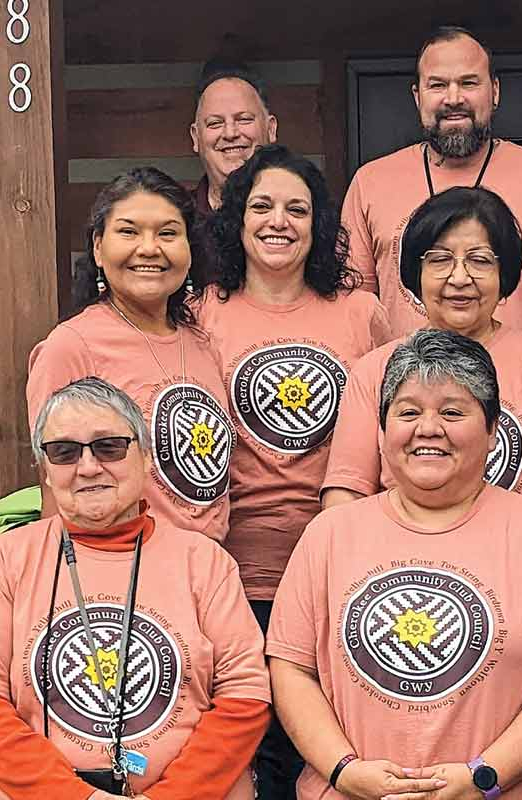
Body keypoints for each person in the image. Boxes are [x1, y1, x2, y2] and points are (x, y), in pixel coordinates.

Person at [267, 329, 522, 799]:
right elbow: (291, 670)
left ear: (493, 430)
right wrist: (344, 771)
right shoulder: (330, 534)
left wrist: (484, 776)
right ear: (382, 430)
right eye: (408, 412)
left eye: (452, 412)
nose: (428, 428)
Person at [0, 377, 271, 799]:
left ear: (147, 457)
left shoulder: (204, 562)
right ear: (44, 469)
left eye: (109, 447)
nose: (88, 467)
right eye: (63, 452)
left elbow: (245, 697)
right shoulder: (5, 560)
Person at [195, 144, 390, 799]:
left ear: (318, 224)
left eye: (297, 209)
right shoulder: (201, 311)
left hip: (336, 569)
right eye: (263, 206)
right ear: (236, 218)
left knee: (324, 751)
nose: (279, 221)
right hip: (231, 571)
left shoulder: (360, 313)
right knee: (245, 756)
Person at [323, 187, 522, 535]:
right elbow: (344, 496)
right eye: (440, 260)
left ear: (506, 275)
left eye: (480, 260)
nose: (459, 278)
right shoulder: (374, 370)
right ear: (416, 272)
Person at [341, 26, 522, 390]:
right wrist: (369, 399)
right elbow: (354, 310)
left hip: (515, 404)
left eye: (469, 83)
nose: (454, 98)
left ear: (494, 91)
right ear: (417, 96)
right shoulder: (369, 183)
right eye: (438, 85)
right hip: (407, 404)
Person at [28, 167, 235, 541]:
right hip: (124, 582)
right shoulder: (71, 347)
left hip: (209, 575)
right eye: (128, 231)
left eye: (168, 233)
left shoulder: (201, 342)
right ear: (97, 247)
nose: (149, 248)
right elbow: (55, 493)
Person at [189, 59, 279, 281]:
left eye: (244, 119)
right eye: (214, 123)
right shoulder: (177, 219)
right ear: (196, 137)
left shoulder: (301, 216)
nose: (230, 133)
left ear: (271, 129)